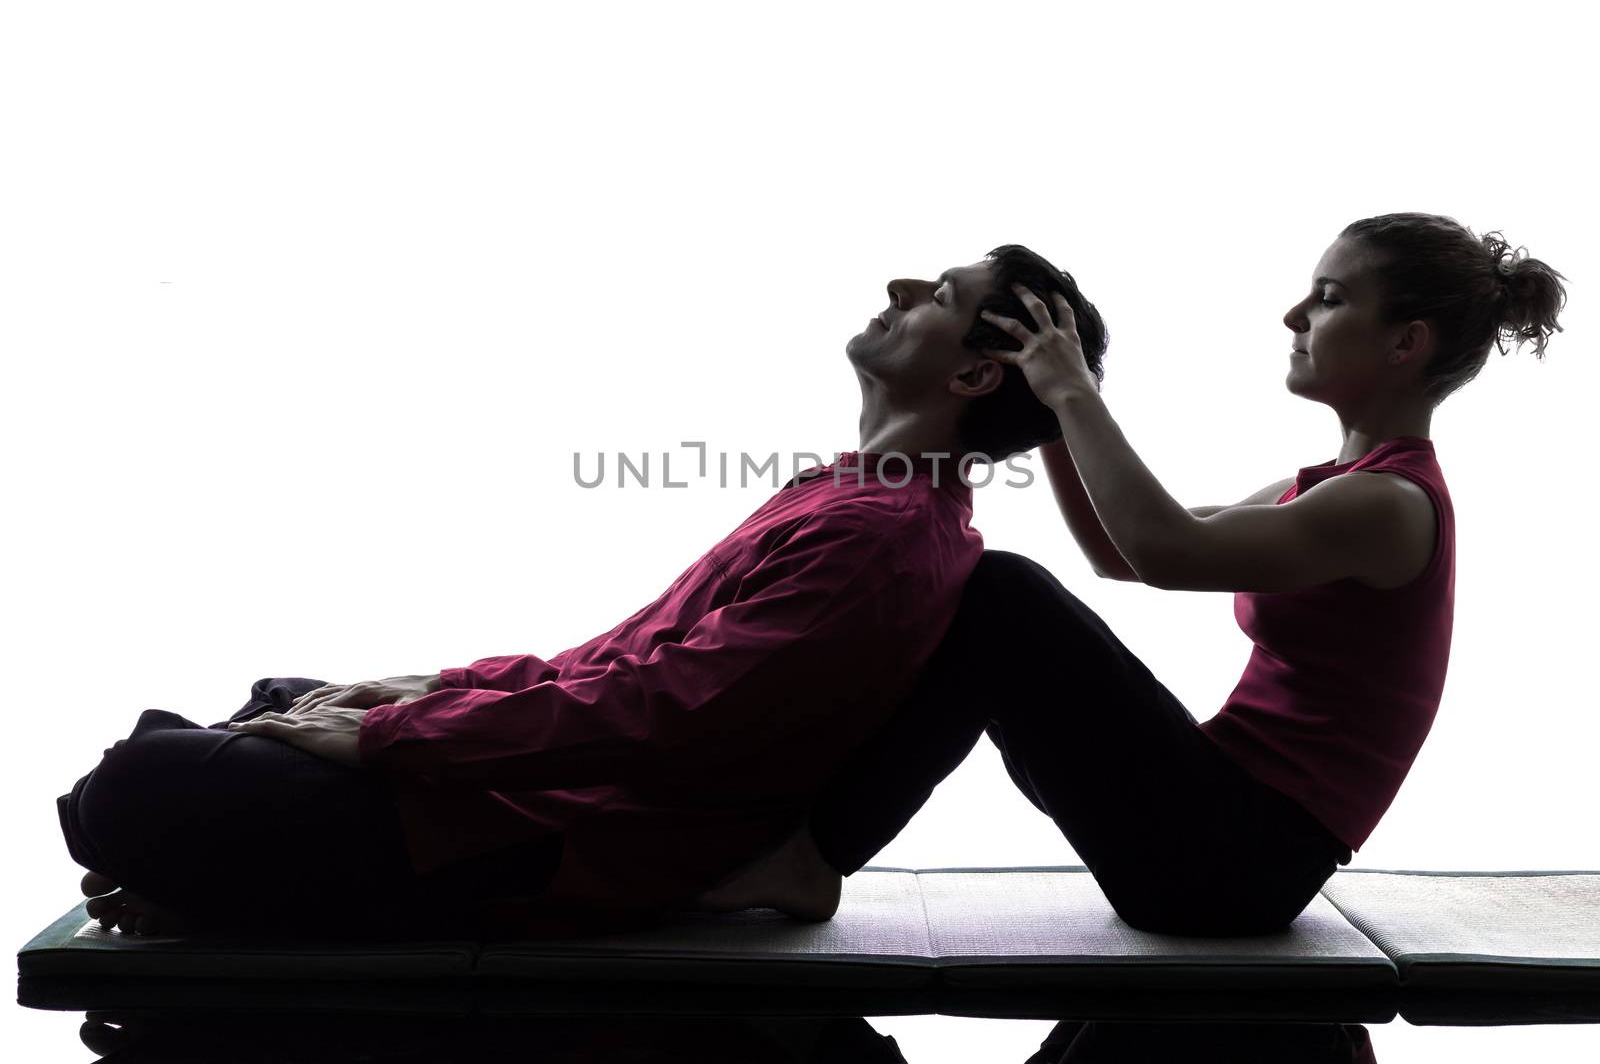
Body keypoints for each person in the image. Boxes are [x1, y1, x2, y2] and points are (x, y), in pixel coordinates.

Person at [57, 246, 1110, 938]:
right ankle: (222, 857)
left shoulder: (876, 535)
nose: (896, 287)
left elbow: (666, 709)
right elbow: (630, 658)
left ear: (974, 376)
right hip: (560, 789)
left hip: (575, 837)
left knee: (136, 784)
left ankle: (210, 861)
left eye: (937, 297)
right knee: (287, 693)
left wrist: (398, 738)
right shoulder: (850, 493)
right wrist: (426, 686)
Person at [794, 213, 1568, 936]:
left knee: (1002, 595)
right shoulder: (1329, 488)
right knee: (991, 603)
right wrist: (1051, 402)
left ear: (1406, 345)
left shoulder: (1390, 504)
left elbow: (1165, 553)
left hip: (1240, 861)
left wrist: (1071, 390)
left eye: (1328, 300)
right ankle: (795, 834)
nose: (1294, 317)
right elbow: (1117, 551)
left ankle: (809, 857)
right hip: (1220, 834)